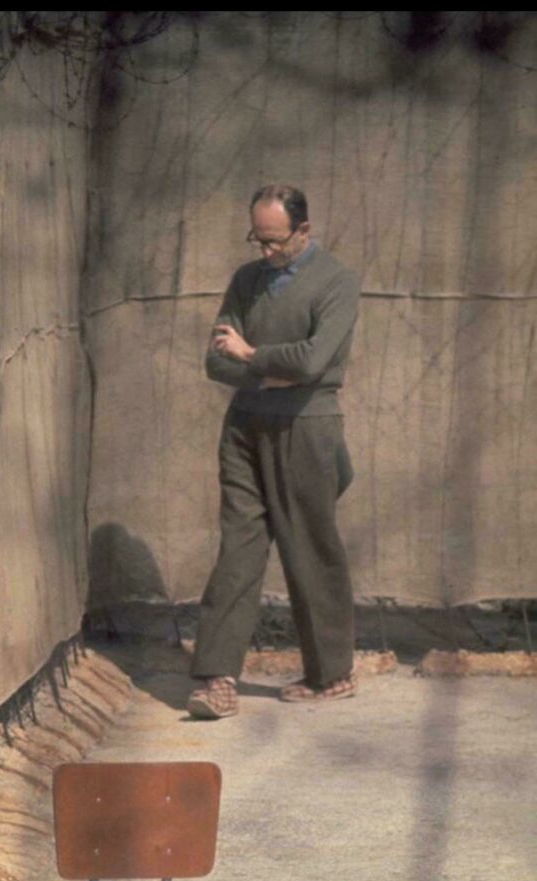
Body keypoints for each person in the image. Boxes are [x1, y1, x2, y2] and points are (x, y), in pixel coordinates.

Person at [187, 183, 359, 720]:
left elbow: (313, 362)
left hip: (306, 430)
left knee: (309, 549)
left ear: (303, 232)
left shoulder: (336, 282)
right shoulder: (246, 281)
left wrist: (253, 355)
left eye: (275, 242)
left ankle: (331, 674)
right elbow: (217, 363)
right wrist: (271, 373)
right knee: (238, 549)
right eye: (257, 240)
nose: (264, 252)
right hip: (245, 426)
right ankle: (216, 679)